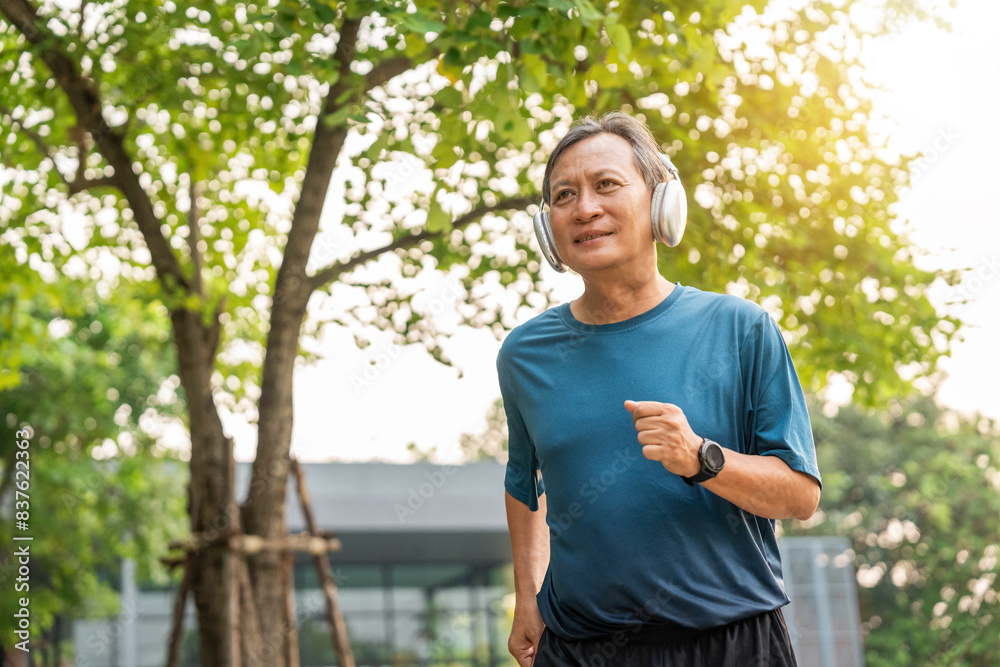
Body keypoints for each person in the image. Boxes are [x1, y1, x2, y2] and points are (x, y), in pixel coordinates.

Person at [498, 111, 822, 666]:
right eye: (564, 195)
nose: (585, 208)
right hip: (579, 650)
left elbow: (800, 496)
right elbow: (526, 483)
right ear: (547, 226)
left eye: (607, 185)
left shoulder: (742, 329)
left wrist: (702, 458)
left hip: (730, 644)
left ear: (660, 202)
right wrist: (527, 596)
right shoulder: (524, 354)